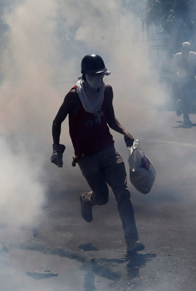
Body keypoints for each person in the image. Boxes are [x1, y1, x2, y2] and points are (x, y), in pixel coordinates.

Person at [51, 54, 144, 255]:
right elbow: (57, 121)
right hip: (86, 157)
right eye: (94, 76)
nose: (98, 80)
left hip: (108, 151)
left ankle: (132, 241)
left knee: (123, 193)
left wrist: (125, 132)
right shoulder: (74, 96)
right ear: (84, 76)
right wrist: (56, 148)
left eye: (101, 76)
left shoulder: (106, 91)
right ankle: (87, 199)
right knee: (102, 198)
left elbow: (110, 119)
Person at [171, 41, 196, 126]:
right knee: (184, 97)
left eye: (188, 48)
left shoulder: (193, 55)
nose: (186, 50)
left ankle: (178, 104)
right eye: (184, 48)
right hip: (181, 79)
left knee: (191, 98)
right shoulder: (177, 56)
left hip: (191, 78)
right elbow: (173, 67)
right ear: (182, 49)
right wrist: (178, 68)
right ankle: (186, 118)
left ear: (190, 48)